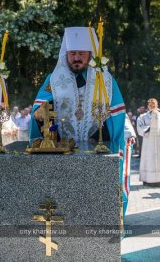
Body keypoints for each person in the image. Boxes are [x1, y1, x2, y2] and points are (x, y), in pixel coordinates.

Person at [29, 26, 136, 218]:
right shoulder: (53, 79)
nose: (76, 57)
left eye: (81, 53)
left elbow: (117, 113)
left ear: (90, 54)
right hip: (63, 151)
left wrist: (101, 134)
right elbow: (39, 110)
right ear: (66, 54)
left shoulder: (106, 80)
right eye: (72, 53)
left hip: (96, 150)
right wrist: (50, 125)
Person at [137, 98, 160, 187]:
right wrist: (148, 129)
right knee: (149, 159)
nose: (152, 106)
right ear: (148, 106)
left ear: (157, 105)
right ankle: (148, 179)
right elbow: (140, 127)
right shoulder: (142, 116)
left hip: (159, 141)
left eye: (154, 105)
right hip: (148, 141)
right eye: (151, 105)